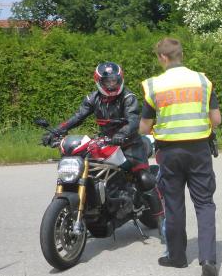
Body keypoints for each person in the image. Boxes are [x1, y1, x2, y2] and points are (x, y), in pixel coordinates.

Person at [139, 37, 222, 276]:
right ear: (181, 55)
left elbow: (144, 127)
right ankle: (208, 259)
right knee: (205, 203)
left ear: (163, 58)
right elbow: (216, 120)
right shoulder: (202, 81)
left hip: (169, 153)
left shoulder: (154, 86)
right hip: (199, 151)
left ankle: (177, 257)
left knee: (173, 205)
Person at [47, 62, 155, 191]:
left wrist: (121, 134)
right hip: (105, 143)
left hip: (129, 144)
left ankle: (160, 211)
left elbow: (133, 120)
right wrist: (56, 131)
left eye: (114, 81)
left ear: (120, 80)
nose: (111, 85)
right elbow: (78, 117)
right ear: (99, 81)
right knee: (88, 171)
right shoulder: (93, 98)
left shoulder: (128, 97)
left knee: (145, 180)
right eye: (107, 82)